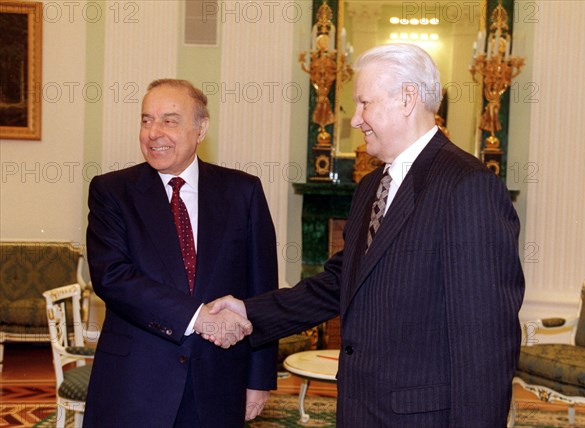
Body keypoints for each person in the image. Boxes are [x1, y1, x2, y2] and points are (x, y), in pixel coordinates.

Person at [207, 44, 525, 427]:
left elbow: (484, 340)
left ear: (407, 99)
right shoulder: (372, 185)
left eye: (364, 103)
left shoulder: (467, 186)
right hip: (361, 410)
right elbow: (340, 283)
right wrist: (248, 310)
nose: (355, 119)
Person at [84, 79, 278, 427]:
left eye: (169, 120)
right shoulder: (111, 192)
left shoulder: (242, 192)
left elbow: (261, 289)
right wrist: (197, 316)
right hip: (135, 383)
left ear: (201, 128)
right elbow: (113, 276)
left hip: (217, 382)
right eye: (146, 120)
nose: (154, 132)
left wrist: (259, 379)